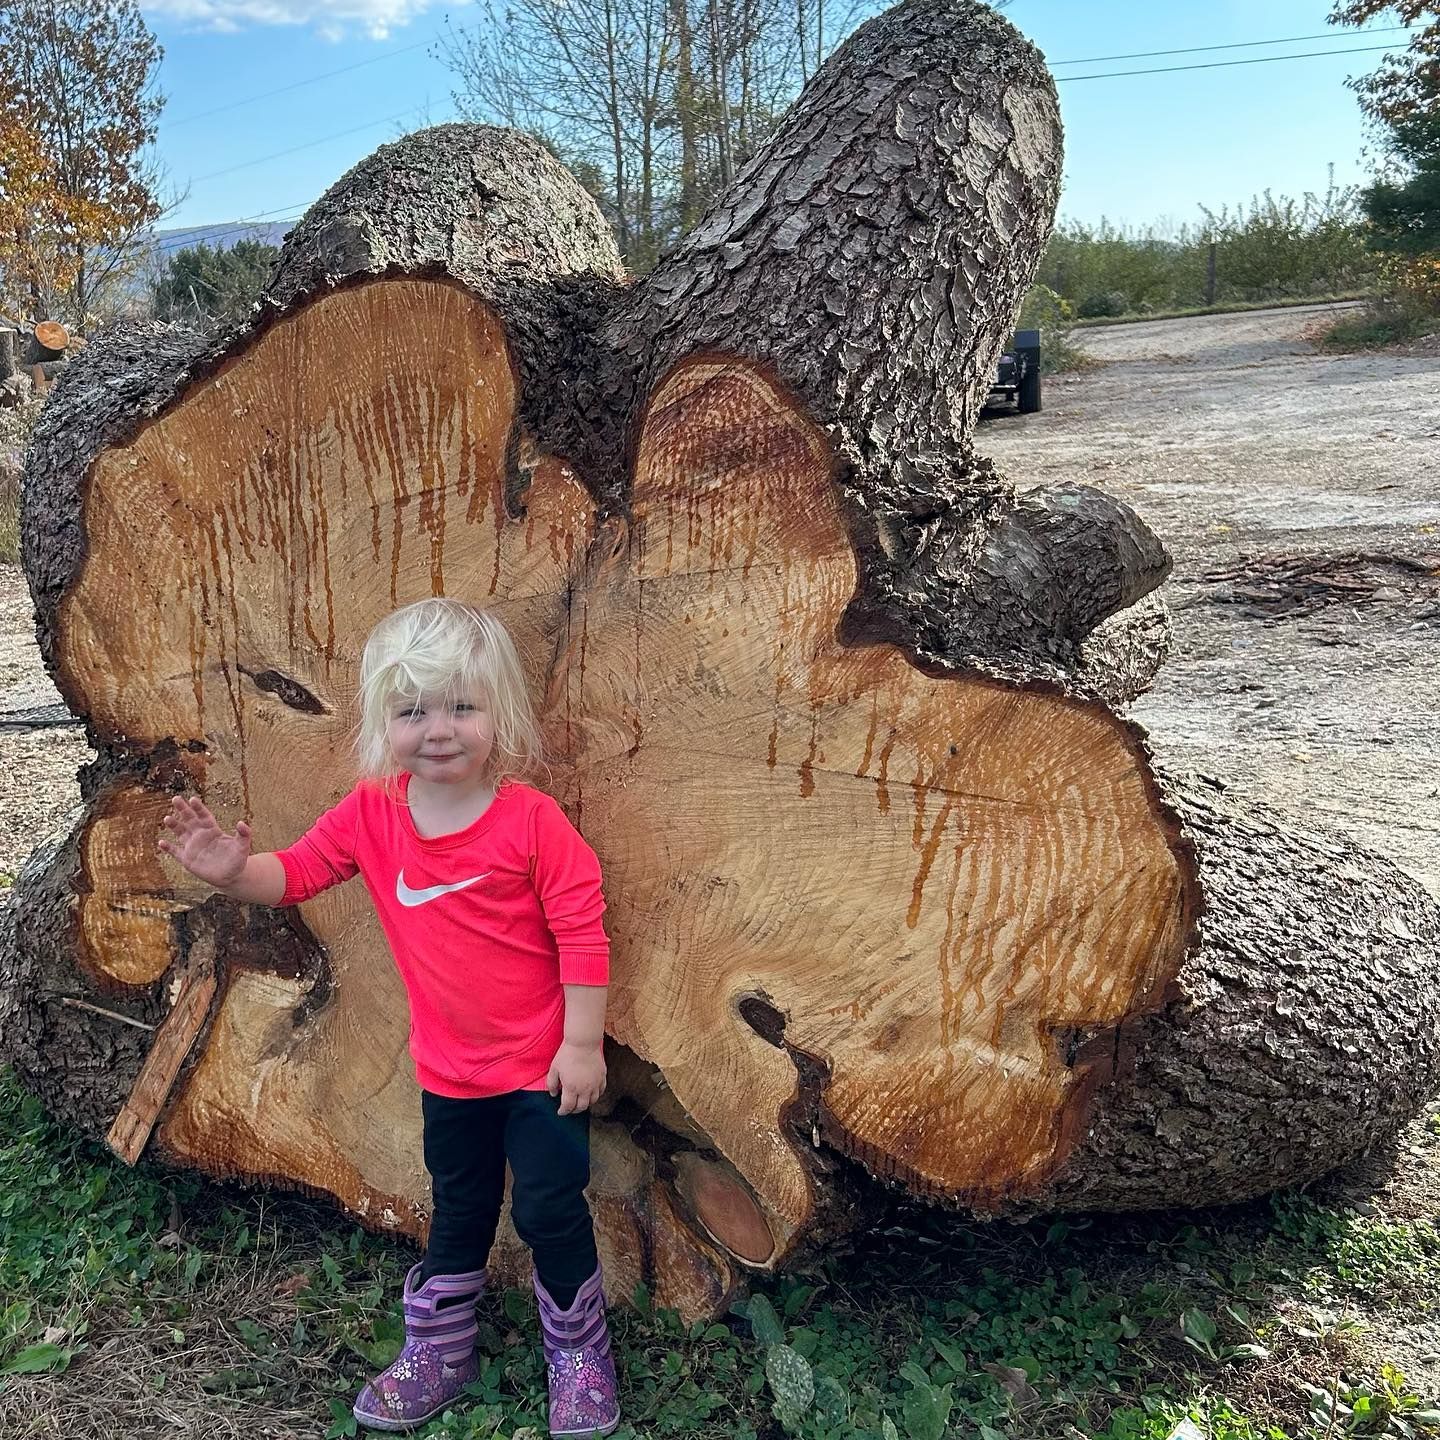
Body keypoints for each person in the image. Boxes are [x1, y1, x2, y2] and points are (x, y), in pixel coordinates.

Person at [157, 598, 620, 1437]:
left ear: (498, 715)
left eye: (461, 707)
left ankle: (578, 1352)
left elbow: (583, 932)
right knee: (460, 1206)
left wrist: (582, 1046)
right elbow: (293, 874)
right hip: (448, 1071)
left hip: (542, 1069)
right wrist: (233, 871)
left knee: (550, 1207)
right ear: (383, 723)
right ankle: (441, 1348)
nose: (437, 729)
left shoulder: (531, 823)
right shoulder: (374, 814)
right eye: (412, 711)